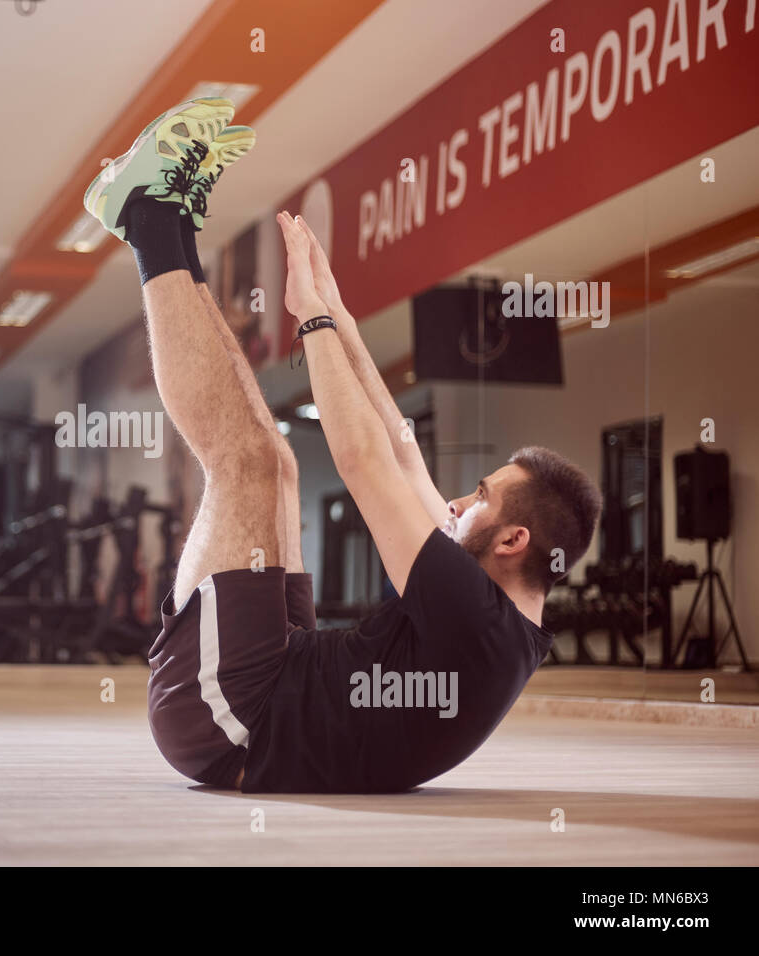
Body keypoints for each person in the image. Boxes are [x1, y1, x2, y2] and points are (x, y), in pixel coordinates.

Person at [81, 97, 602, 793]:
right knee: (278, 464)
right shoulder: (498, 613)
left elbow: (362, 461)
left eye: (479, 496)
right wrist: (339, 315)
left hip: (229, 725)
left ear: (514, 539)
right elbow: (402, 452)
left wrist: (313, 320)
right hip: (281, 678)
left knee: (246, 463)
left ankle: (144, 217)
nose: (455, 502)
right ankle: (168, 218)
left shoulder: (476, 621)